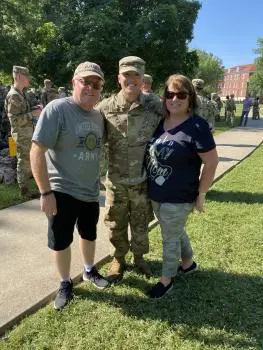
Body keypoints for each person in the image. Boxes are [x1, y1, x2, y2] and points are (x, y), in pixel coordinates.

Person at [30, 61, 109, 310]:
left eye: (96, 84)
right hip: (61, 190)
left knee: (89, 234)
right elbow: (36, 150)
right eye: (85, 82)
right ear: (75, 82)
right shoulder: (57, 109)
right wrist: (45, 192)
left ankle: (88, 270)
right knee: (61, 240)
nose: (91, 88)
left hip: (89, 190)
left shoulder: (98, 116)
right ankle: (64, 283)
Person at [145, 74, 218, 299]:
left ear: (190, 97)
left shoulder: (197, 125)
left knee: (169, 238)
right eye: (169, 94)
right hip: (157, 193)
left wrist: (202, 194)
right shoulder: (159, 122)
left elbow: (212, 162)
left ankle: (166, 280)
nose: (174, 99)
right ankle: (188, 263)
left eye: (181, 95)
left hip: (179, 195)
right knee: (175, 231)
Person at [97, 56, 163, 283]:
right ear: (119, 78)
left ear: (143, 78)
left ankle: (139, 257)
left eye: (136, 75)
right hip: (116, 181)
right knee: (116, 222)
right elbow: (92, 140)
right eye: (127, 75)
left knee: (141, 221)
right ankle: (119, 258)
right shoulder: (105, 108)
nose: (131, 80)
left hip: (143, 180)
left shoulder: (155, 106)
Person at [4, 66, 41, 197]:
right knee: (23, 161)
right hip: (20, 135)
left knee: (28, 160)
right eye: (27, 76)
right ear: (19, 76)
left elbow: (22, 113)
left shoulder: (21, 93)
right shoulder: (14, 95)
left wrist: (33, 109)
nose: (29, 79)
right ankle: (24, 191)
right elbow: (14, 120)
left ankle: (30, 189)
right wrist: (32, 113)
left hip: (26, 133)